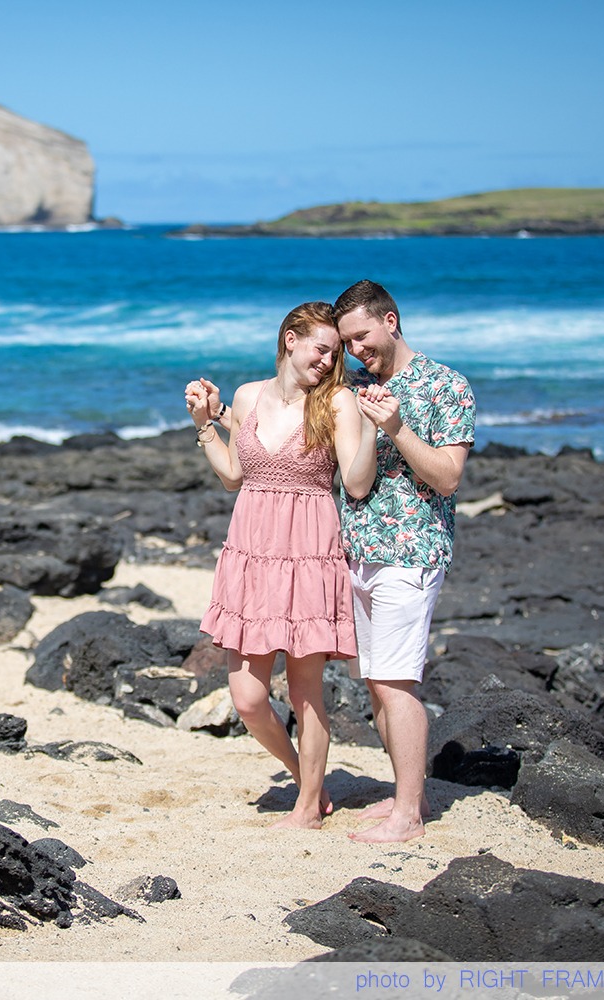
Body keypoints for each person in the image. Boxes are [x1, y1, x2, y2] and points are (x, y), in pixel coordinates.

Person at [185, 301, 376, 829]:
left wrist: (378, 430)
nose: (327, 360)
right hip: (250, 551)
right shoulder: (248, 397)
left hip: (309, 552)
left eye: (334, 353)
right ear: (290, 340)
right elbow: (231, 475)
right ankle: (305, 780)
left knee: (304, 689)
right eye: (321, 348)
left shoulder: (338, 402)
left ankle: (307, 808)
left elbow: (356, 482)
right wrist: (206, 425)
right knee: (247, 698)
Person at [332, 279, 475, 844]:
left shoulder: (446, 385)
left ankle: (410, 814)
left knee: (397, 683)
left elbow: (447, 476)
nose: (356, 351)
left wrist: (395, 427)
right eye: (347, 343)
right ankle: (402, 791)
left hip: (411, 552)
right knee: (375, 682)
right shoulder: (359, 385)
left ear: (390, 321)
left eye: (362, 337)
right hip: (358, 551)